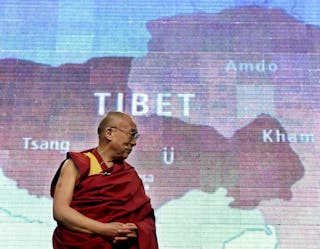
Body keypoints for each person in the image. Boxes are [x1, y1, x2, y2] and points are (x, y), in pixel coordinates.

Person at [50, 111, 158, 249]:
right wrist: (104, 229)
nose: (134, 142)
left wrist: (137, 229)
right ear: (109, 133)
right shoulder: (78, 164)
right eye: (132, 134)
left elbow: (145, 218)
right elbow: (60, 211)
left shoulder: (130, 175)